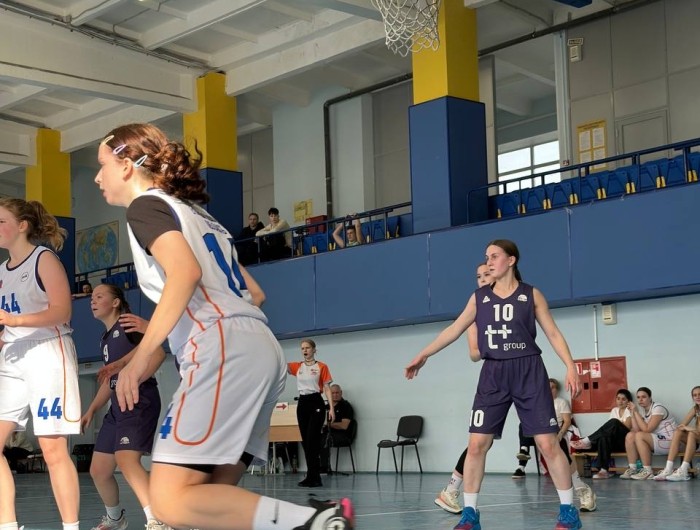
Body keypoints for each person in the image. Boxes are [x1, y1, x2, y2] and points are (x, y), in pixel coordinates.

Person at [94, 123, 353, 530]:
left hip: (222, 347)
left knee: (168, 501)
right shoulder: (199, 215)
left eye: (102, 165)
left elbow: (185, 272)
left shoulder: (144, 206)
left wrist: (141, 356)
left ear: (127, 165)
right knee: (206, 503)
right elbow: (256, 293)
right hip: (260, 347)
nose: (97, 177)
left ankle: (317, 521)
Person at [405, 239, 583, 530]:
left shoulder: (531, 294)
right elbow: (454, 328)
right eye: (486, 257)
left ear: (511, 260)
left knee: (547, 444)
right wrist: (423, 354)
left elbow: (552, 332)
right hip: (493, 373)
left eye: (494, 256)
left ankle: (568, 512)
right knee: (476, 444)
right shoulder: (479, 298)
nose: (489, 261)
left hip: (528, 370)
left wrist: (570, 366)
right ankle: (470, 514)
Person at [0, 198, 81, 530]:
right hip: (12, 355)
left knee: (52, 448)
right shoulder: (2, 271)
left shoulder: (43, 258)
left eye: (1, 221)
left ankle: (71, 527)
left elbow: (62, 311)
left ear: (22, 226)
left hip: (47, 351)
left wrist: (15, 322)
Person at [81, 284, 168, 530]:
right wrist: (92, 409)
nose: (92, 301)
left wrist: (134, 381)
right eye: (91, 298)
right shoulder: (105, 338)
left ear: (116, 302)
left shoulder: (128, 324)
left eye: (99, 296)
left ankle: (159, 518)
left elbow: (158, 354)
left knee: (127, 459)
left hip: (139, 400)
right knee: (99, 469)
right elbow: (111, 381)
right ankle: (115, 518)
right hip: (117, 406)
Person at [435, 263, 492, 514]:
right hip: (494, 379)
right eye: (479, 276)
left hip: (522, 374)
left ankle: (577, 488)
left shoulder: (515, 300)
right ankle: (451, 490)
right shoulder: (475, 311)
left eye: (487, 274)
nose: (483, 279)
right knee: (479, 442)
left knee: (546, 436)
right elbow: (474, 354)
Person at [287, 339, 335, 487]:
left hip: (316, 402)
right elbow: (279, 364)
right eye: (302, 348)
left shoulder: (321, 366)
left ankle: (315, 477)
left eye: (307, 348)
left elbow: (327, 388)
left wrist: (331, 408)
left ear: (314, 349)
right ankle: (311, 476)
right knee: (305, 441)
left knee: (312, 440)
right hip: (302, 402)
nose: (305, 350)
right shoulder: (297, 366)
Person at [569, 388, 633, 479]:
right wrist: (615, 425)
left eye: (623, 399)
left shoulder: (630, 410)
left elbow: (627, 427)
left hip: (625, 442)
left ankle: (587, 440)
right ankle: (603, 471)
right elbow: (609, 430)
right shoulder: (614, 410)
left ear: (628, 401)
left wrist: (616, 424)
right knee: (604, 437)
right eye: (618, 398)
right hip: (613, 443)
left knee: (614, 422)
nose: (620, 401)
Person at [620, 386, 677, 480]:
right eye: (638, 397)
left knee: (640, 436)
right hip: (660, 440)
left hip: (671, 442)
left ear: (650, 398)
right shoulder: (643, 410)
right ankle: (633, 468)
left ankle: (648, 471)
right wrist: (632, 413)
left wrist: (636, 412)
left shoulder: (658, 408)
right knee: (630, 435)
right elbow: (636, 430)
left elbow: (647, 429)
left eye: (644, 397)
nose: (640, 399)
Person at [651, 385, 700, 481]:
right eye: (695, 395)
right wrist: (685, 428)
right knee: (678, 431)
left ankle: (683, 471)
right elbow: (681, 426)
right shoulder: (695, 409)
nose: (697, 397)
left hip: (697, 438)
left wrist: (689, 428)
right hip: (697, 439)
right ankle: (668, 469)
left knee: (691, 433)